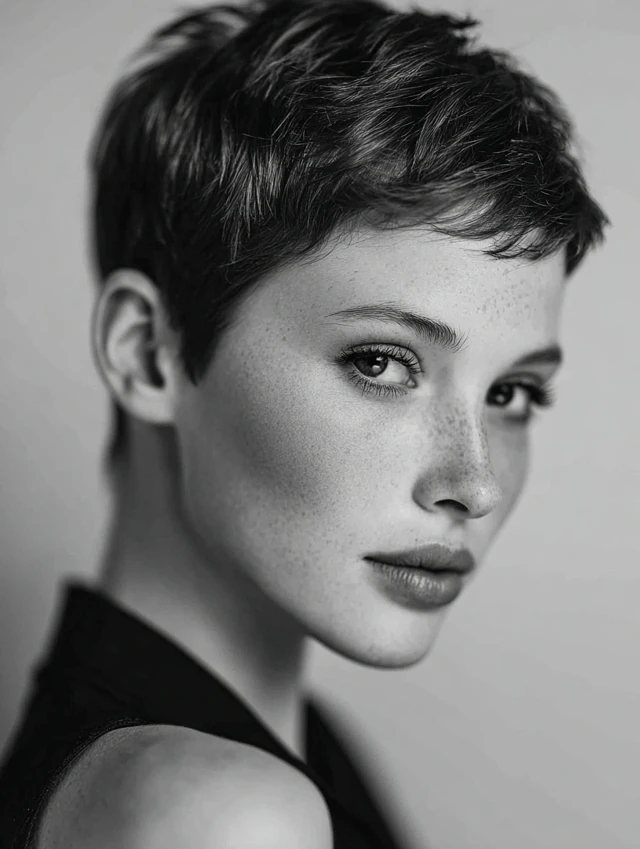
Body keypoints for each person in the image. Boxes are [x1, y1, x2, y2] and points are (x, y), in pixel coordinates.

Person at [0, 0, 609, 846]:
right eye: (381, 362)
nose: (474, 484)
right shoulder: (224, 815)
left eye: (511, 394)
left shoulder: (307, 754)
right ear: (146, 354)